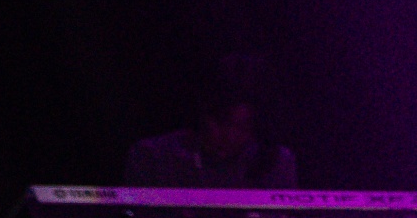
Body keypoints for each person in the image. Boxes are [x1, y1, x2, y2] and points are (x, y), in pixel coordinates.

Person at [124, 52, 296, 188]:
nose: (229, 137)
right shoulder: (153, 157)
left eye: (242, 127)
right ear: (203, 111)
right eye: (221, 123)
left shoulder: (276, 162)